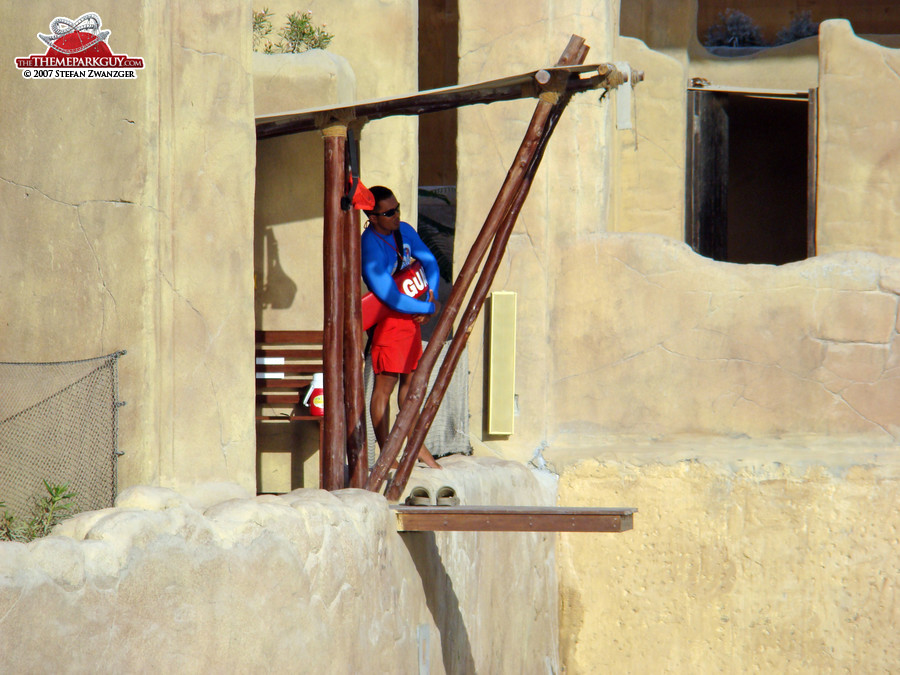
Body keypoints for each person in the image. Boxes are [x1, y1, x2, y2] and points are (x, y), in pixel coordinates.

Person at [361, 185, 442, 469]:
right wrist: (427, 307)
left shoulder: (403, 229)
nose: (396, 215)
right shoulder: (370, 245)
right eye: (388, 212)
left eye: (397, 208)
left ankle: (414, 446)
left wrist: (430, 293)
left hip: (411, 317)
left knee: (411, 382)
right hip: (390, 320)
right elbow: (386, 294)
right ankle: (387, 453)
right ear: (372, 217)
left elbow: (429, 261)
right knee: (385, 385)